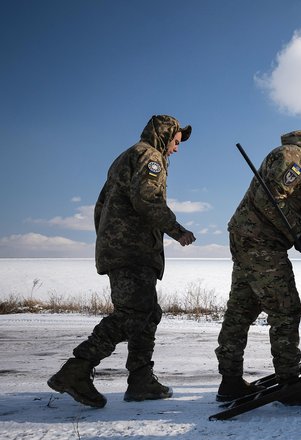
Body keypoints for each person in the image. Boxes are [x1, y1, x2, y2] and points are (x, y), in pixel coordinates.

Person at [48, 114, 196, 408]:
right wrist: (177, 230)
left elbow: (102, 205)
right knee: (133, 312)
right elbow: (147, 199)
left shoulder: (128, 157)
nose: (177, 149)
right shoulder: (149, 156)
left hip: (124, 247)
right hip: (132, 249)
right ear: (164, 135)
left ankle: (141, 380)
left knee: (148, 312)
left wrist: (108, 241)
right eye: (176, 142)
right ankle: (76, 369)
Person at [215, 126, 301, 404]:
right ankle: (289, 383)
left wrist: (299, 233)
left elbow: (281, 202)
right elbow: (268, 200)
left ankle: (230, 381)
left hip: (251, 238)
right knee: (286, 310)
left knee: (242, 309)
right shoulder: (297, 158)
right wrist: (295, 230)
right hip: (260, 241)